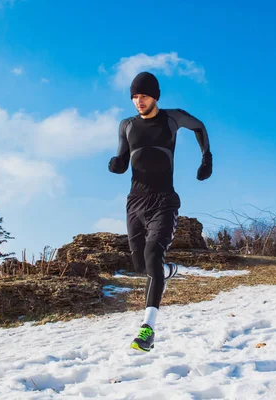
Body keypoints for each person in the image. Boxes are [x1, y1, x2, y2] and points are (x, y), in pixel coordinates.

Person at [108, 71, 212, 352]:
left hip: (164, 200)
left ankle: (147, 329)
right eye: (134, 97)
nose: (138, 101)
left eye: (143, 96)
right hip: (135, 203)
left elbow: (200, 126)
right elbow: (122, 155)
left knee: (153, 254)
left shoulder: (172, 118)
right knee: (142, 267)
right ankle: (166, 271)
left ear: (155, 96)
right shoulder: (126, 125)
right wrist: (117, 163)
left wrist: (206, 158)